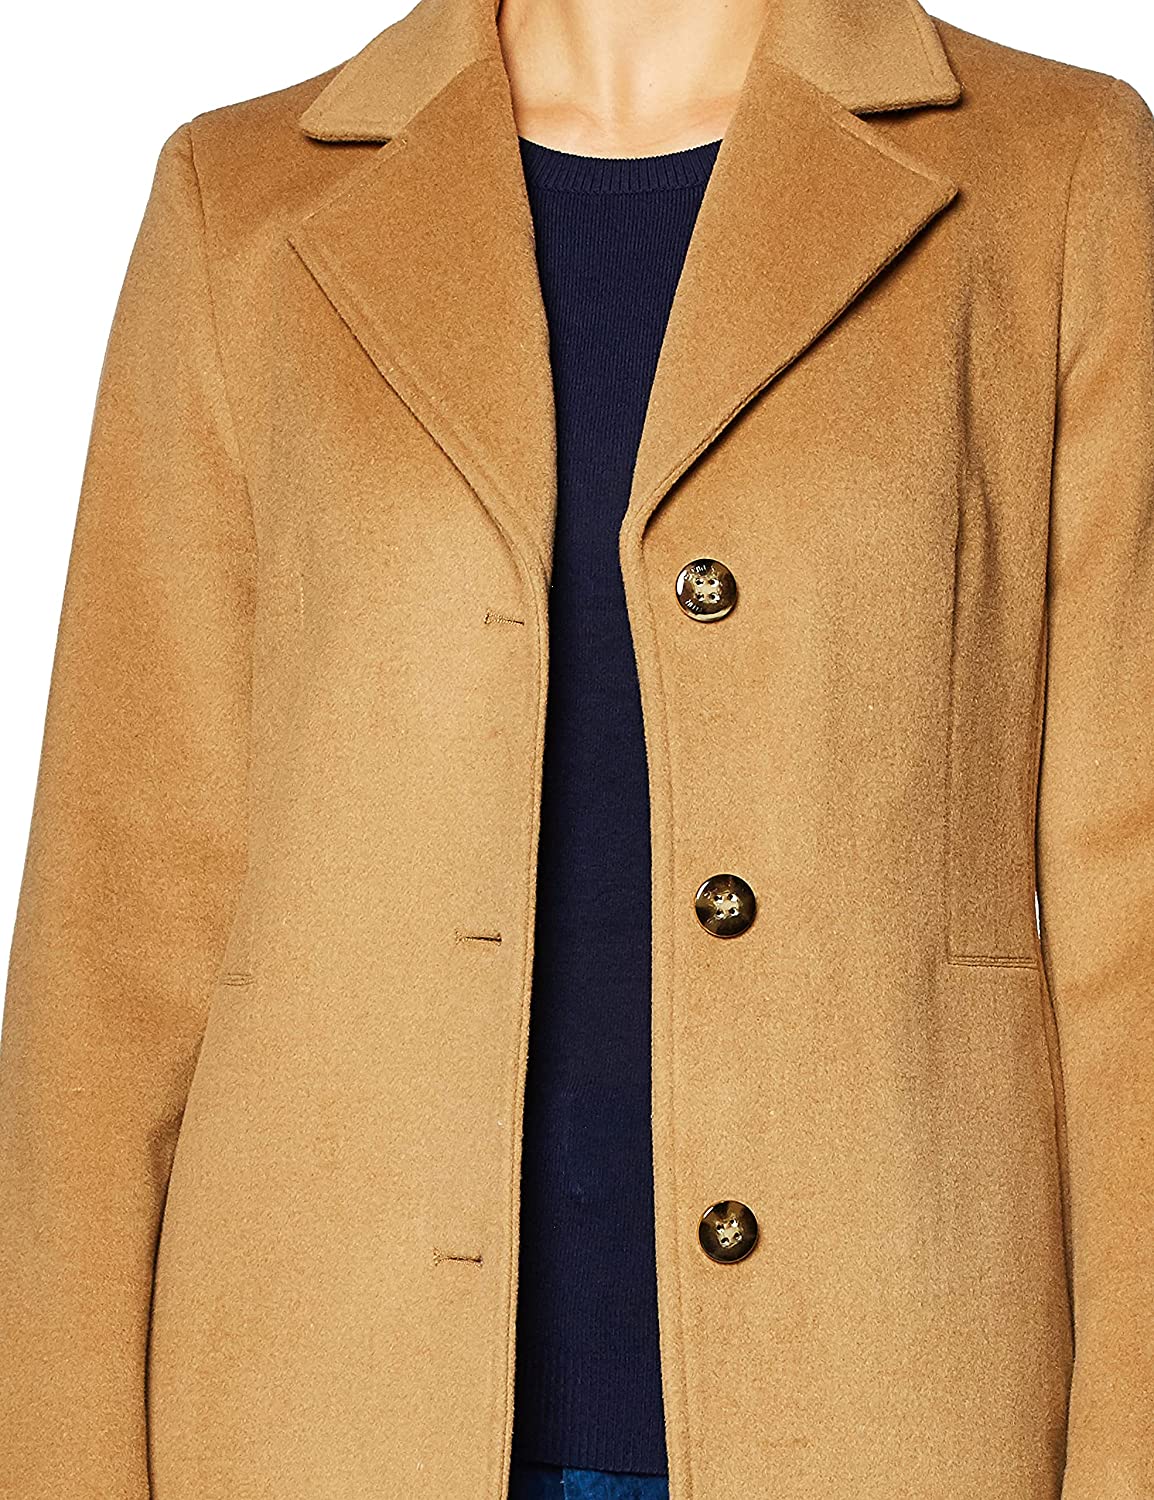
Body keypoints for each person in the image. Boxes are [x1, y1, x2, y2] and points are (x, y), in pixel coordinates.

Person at [1, 0, 1151, 1495]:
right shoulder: (243, 201)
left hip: (889, 1398)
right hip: (319, 1412)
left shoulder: (1054, 176)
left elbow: (1132, 921)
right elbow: (113, 938)